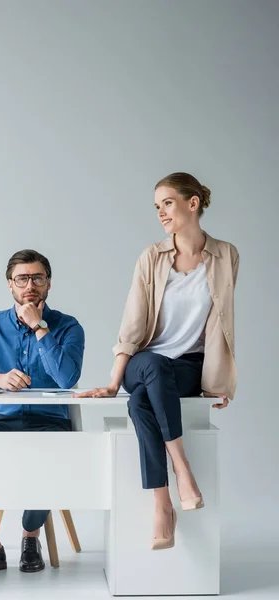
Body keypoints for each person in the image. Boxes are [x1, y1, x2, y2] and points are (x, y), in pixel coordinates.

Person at [74, 172, 239, 550]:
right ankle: (182, 470)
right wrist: (114, 381)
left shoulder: (226, 256)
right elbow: (133, 322)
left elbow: (222, 323)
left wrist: (220, 381)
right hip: (143, 363)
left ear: (192, 203)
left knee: (140, 402)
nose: (161, 213)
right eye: (157, 207)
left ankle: (162, 503)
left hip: (187, 367)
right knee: (150, 368)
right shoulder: (152, 256)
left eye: (167, 203)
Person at [0, 249, 85, 575]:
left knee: (48, 454)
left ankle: (30, 537)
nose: (30, 285)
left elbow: (67, 378)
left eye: (37, 278)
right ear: (10, 284)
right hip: (5, 419)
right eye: (22, 279)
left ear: (48, 283)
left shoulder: (68, 327)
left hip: (50, 421)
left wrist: (39, 327)